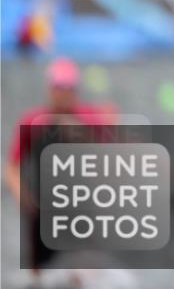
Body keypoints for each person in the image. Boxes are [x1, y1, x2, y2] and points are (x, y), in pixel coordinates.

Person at [5, 57, 117, 282]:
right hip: (41, 206)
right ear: (49, 89)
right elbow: (11, 166)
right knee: (37, 275)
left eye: (68, 89)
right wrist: (21, 195)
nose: (63, 94)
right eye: (59, 88)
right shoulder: (32, 121)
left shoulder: (91, 118)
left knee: (82, 270)